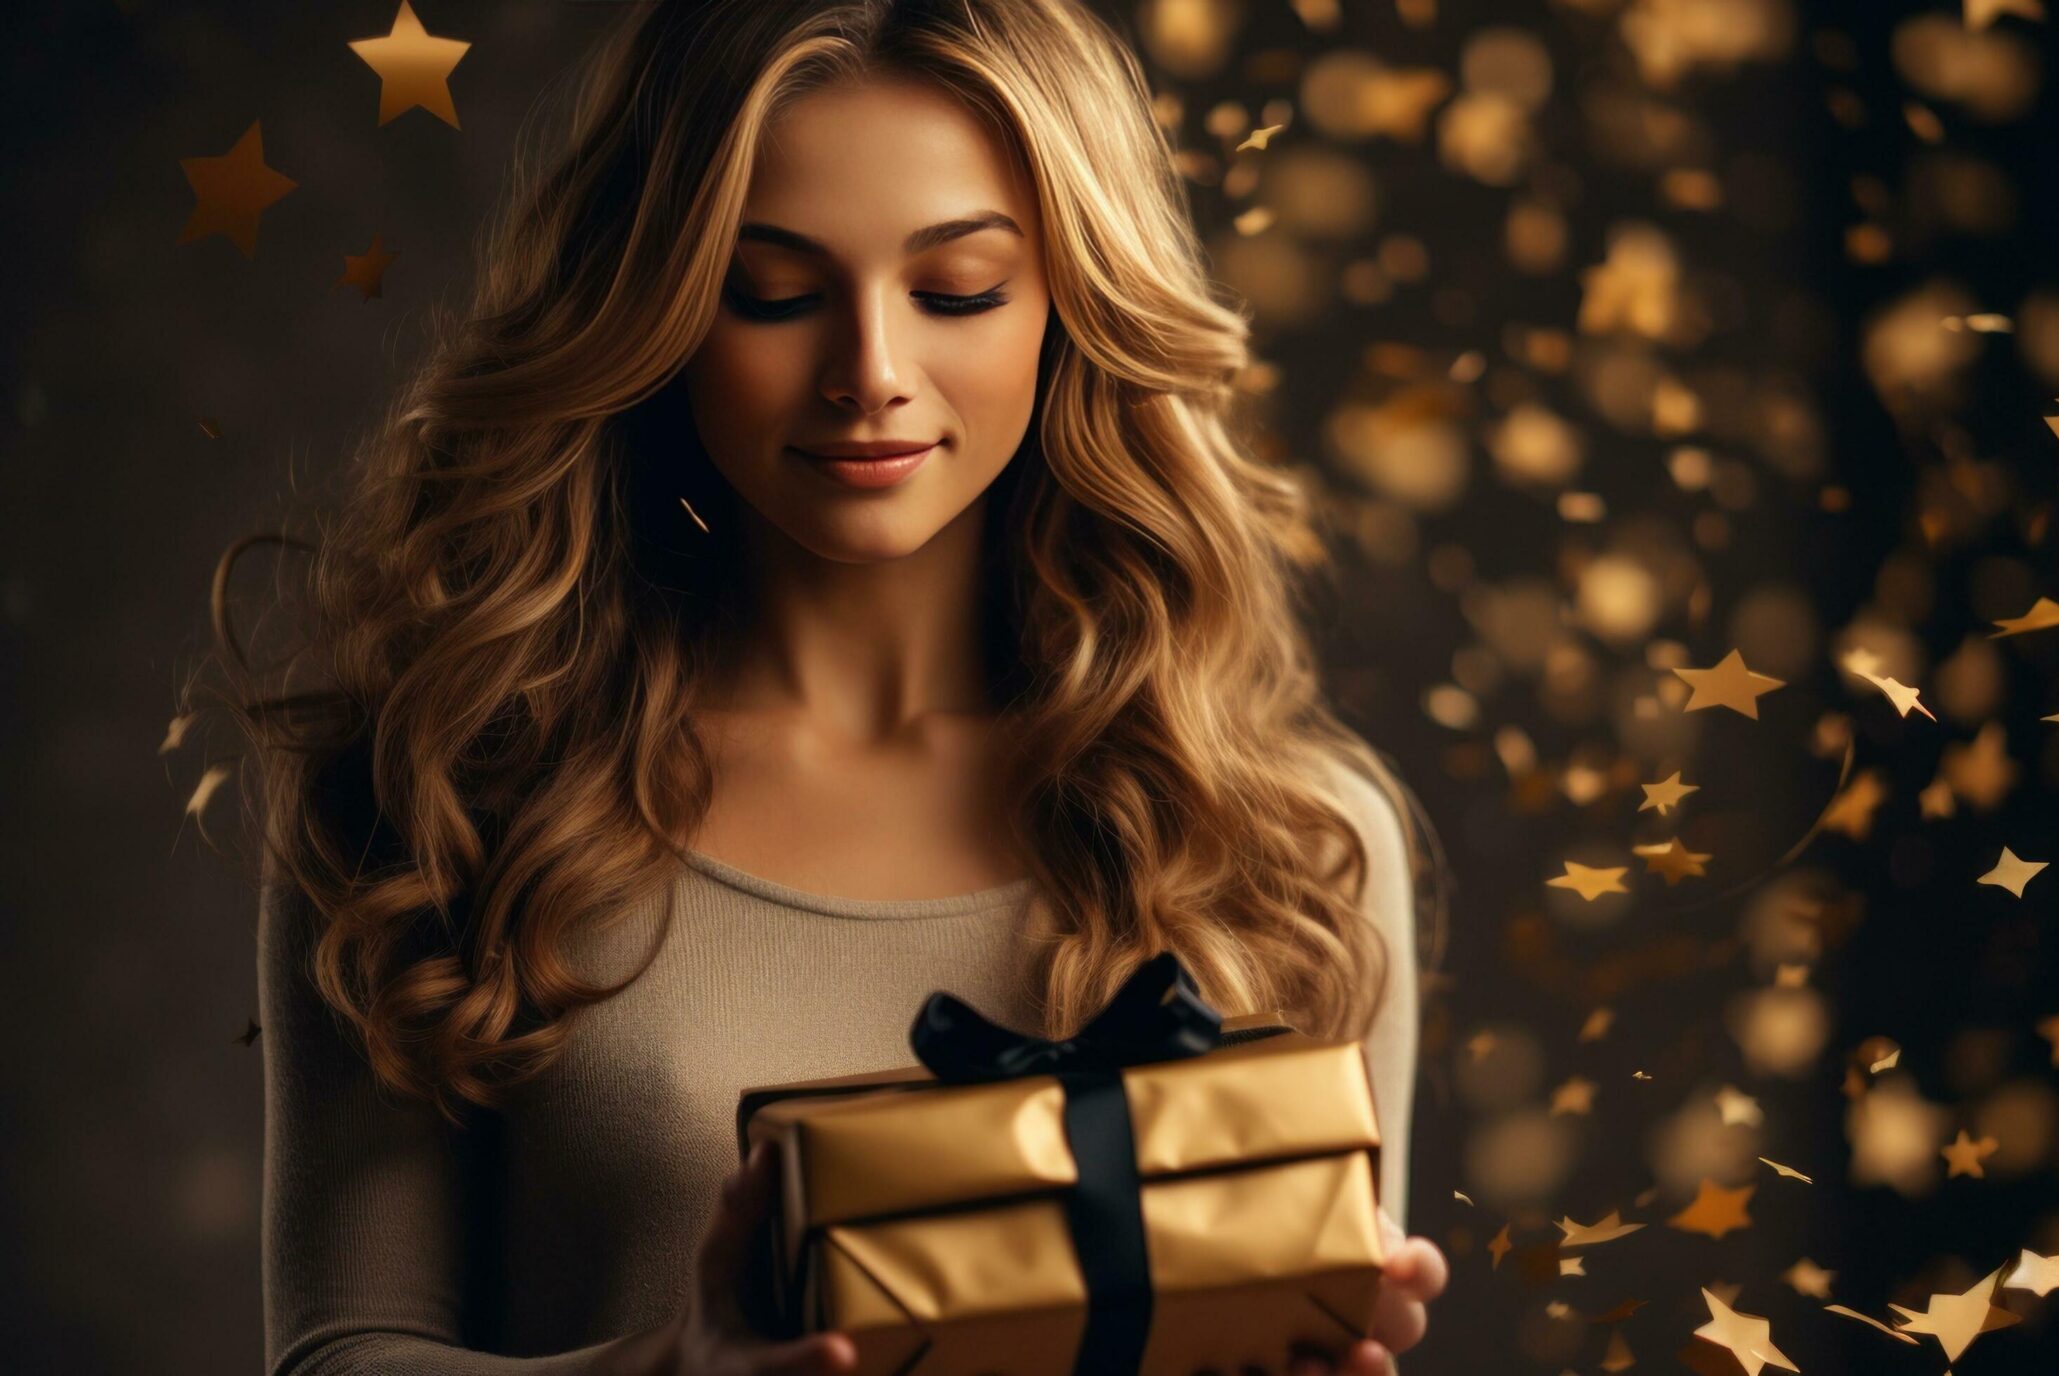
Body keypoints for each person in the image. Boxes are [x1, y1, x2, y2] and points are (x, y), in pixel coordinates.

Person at [187, 2, 1451, 1372]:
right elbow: (343, 1355)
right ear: (657, 311)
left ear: (1070, 308)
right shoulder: (435, 797)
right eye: (774, 292)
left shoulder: (1291, 843)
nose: (872, 375)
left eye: (958, 288)